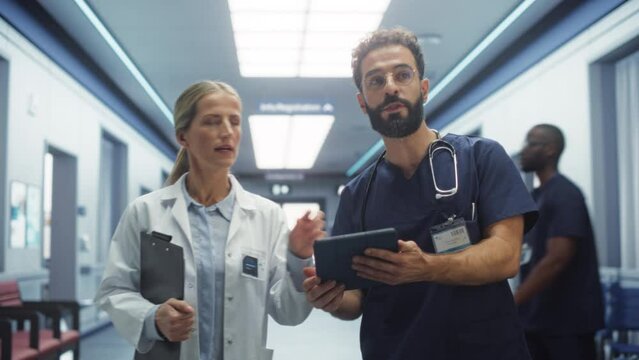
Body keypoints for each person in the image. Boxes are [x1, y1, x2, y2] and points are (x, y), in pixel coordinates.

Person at [302, 28, 538, 359]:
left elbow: (505, 256)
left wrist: (425, 266)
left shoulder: (481, 158)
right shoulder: (358, 194)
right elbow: (354, 299)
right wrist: (331, 299)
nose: (390, 87)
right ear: (362, 102)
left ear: (423, 88)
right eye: (375, 81)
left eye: (402, 74)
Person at [95, 80, 325, 360]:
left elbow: (287, 312)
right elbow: (114, 291)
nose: (227, 132)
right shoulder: (146, 211)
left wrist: (298, 258)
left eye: (235, 121)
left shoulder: (267, 216)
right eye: (212, 122)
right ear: (183, 137)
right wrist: (154, 318)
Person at [515, 124, 604, 360]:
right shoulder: (534, 197)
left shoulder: (565, 194)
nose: (524, 149)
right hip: (536, 319)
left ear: (550, 150)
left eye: (531, 143)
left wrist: (513, 302)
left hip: (567, 324)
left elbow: (557, 259)